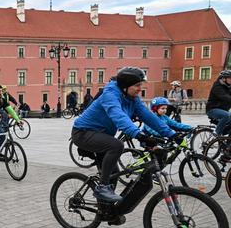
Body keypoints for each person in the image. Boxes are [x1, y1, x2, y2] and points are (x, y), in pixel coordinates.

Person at [72, 67, 176, 206]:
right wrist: (139, 135)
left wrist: (172, 134)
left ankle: (106, 209)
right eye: (137, 85)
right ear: (126, 86)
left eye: (141, 85)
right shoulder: (110, 94)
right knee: (116, 145)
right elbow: (118, 116)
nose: (140, 89)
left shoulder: (132, 98)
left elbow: (149, 117)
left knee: (113, 175)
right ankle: (102, 187)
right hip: (83, 132)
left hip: (102, 135)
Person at [205, 70, 231, 137]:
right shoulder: (217, 86)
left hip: (223, 110)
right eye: (230, 78)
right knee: (227, 115)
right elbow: (225, 97)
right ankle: (217, 133)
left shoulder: (228, 86)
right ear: (224, 78)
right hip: (212, 109)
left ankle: (226, 141)